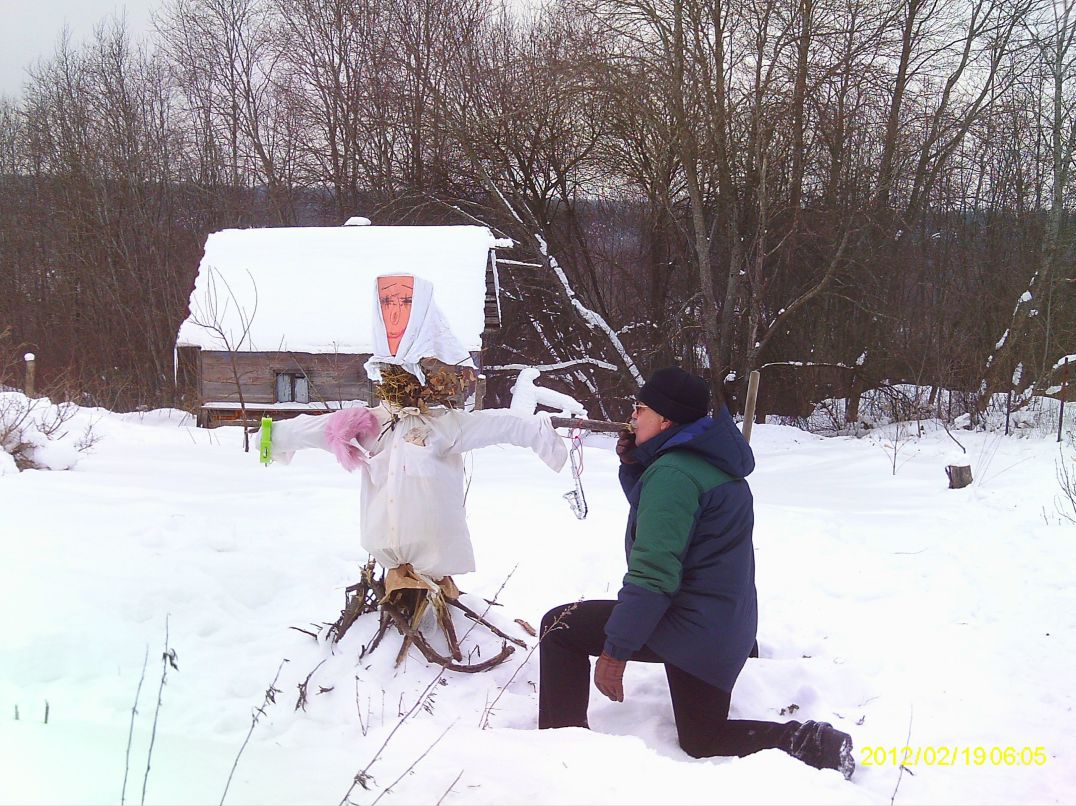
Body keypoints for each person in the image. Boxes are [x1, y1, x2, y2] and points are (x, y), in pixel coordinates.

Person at [538, 366, 854, 779]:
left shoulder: (673, 475)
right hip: (725, 625)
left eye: (641, 409)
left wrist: (616, 652)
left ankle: (560, 752)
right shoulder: (703, 461)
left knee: (560, 628)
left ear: (666, 420)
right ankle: (813, 743)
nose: (633, 417)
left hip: (691, 627)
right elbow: (665, 514)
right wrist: (636, 461)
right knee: (702, 737)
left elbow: (653, 576)